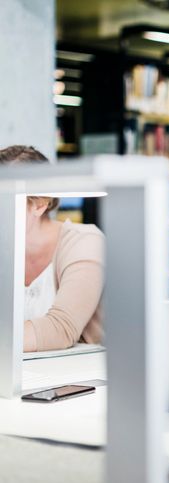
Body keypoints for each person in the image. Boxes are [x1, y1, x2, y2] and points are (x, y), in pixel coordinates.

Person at [0, 145, 104, 352]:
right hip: (23, 376)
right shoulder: (5, 248)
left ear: (40, 204)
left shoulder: (84, 242)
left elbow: (61, 328)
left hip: (81, 378)